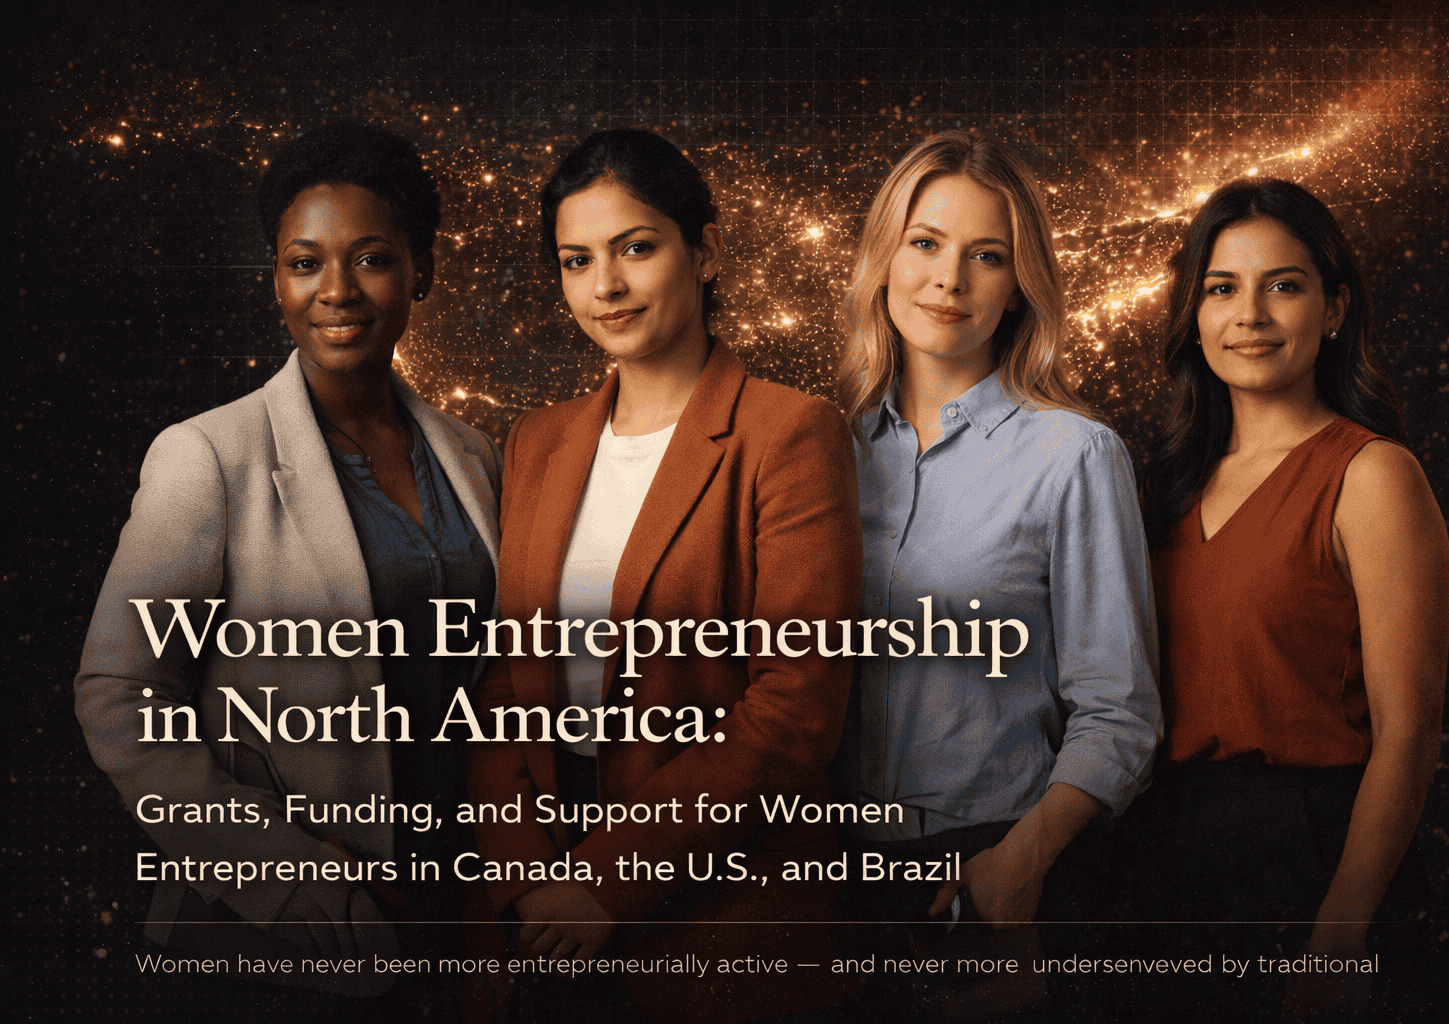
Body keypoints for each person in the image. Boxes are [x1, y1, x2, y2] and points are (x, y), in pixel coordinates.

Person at [74, 121, 501, 1004]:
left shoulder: (476, 456)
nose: (336, 290)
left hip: (446, 909)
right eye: (304, 262)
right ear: (276, 279)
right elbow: (117, 695)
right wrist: (284, 868)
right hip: (270, 932)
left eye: (372, 258)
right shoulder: (207, 455)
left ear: (421, 270)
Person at [465, 129, 861, 1022]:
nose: (605, 286)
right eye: (576, 260)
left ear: (707, 250)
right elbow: (497, 681)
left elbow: (797, 703)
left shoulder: (789, 432)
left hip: (711, 912)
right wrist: (528, 876)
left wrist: (610, 882)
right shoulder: (536, 440)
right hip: (538, 902)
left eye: (635, 248)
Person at [834, 131, 1162, 1018]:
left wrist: (1019, 864)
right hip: (836, 880)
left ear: (1021, 285)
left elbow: (1120, 712)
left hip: (996, 864)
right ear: (884, 259)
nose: (950, 280)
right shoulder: (820, 452)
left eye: (988, 256)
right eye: (926, 243)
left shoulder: (1075, 456)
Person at [1138, 177, 1449, 1019]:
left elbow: (1410, 736)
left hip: (1314, 859)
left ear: (1335, 307)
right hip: (1165, 857)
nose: (1251, 315)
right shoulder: (1161, 486)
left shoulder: (1372, 476)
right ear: (1194, 315)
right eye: (1221, 288)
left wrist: (1339, 937)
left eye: (1283, 284)